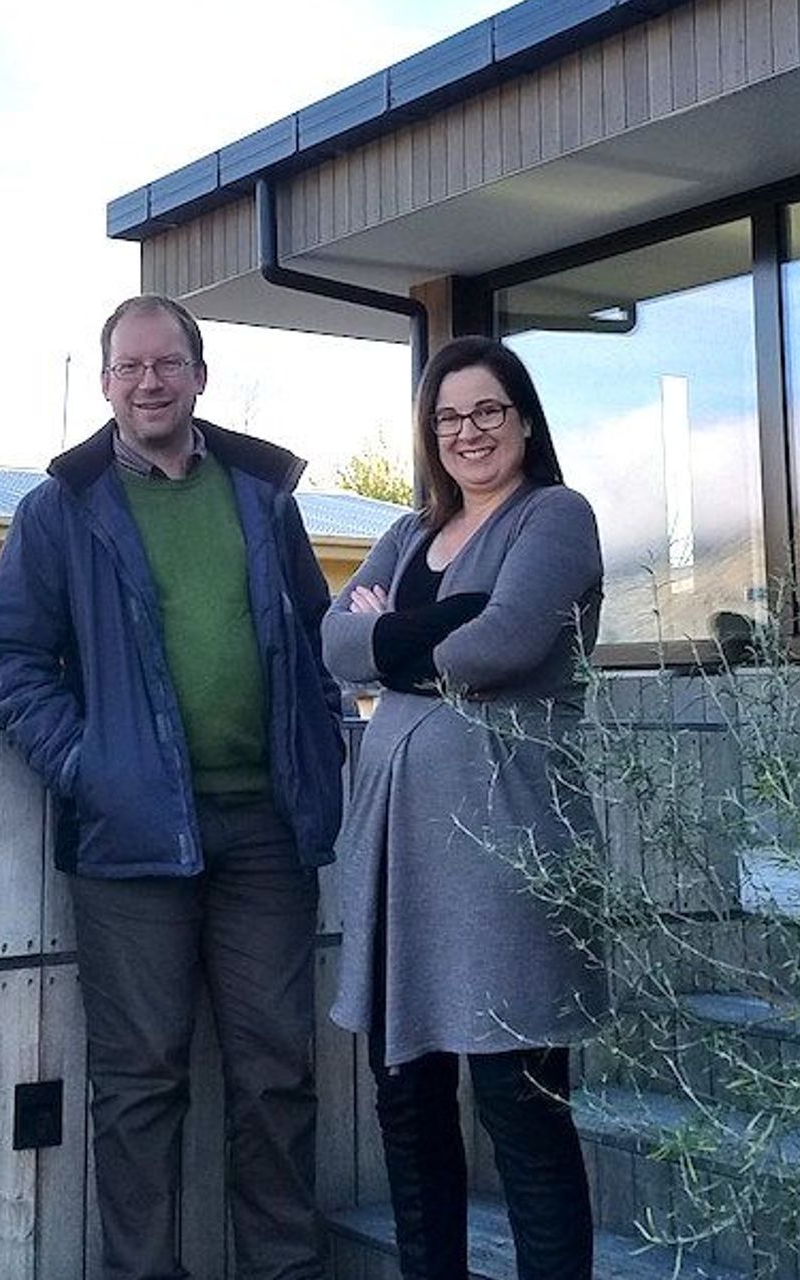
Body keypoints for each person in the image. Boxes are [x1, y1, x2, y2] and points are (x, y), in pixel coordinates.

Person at [0, 295, 343, 1280]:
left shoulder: (265, 497)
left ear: (199, 375)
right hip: (131, 838)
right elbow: (11, 660)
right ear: (105, 383)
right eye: (129, 366)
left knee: (277, 1073)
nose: (149, 381)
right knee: (141, 1082)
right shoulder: (63, 506)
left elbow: (317, 643)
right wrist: (93, 767)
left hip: (265, 828)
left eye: (166, 364)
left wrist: (321, 752)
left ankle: (284, 1269)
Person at [322, 336, 605, 1280]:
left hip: (506, 853)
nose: (469, 432)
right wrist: (438, 626)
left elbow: (504, 645)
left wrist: (388, 638)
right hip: (399, 857)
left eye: (488, 411)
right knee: (406, 1106)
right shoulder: (408, 534)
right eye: (449, 417)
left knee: (519, 1109)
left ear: (524, 419)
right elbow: (332, 642)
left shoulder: (555, 517)